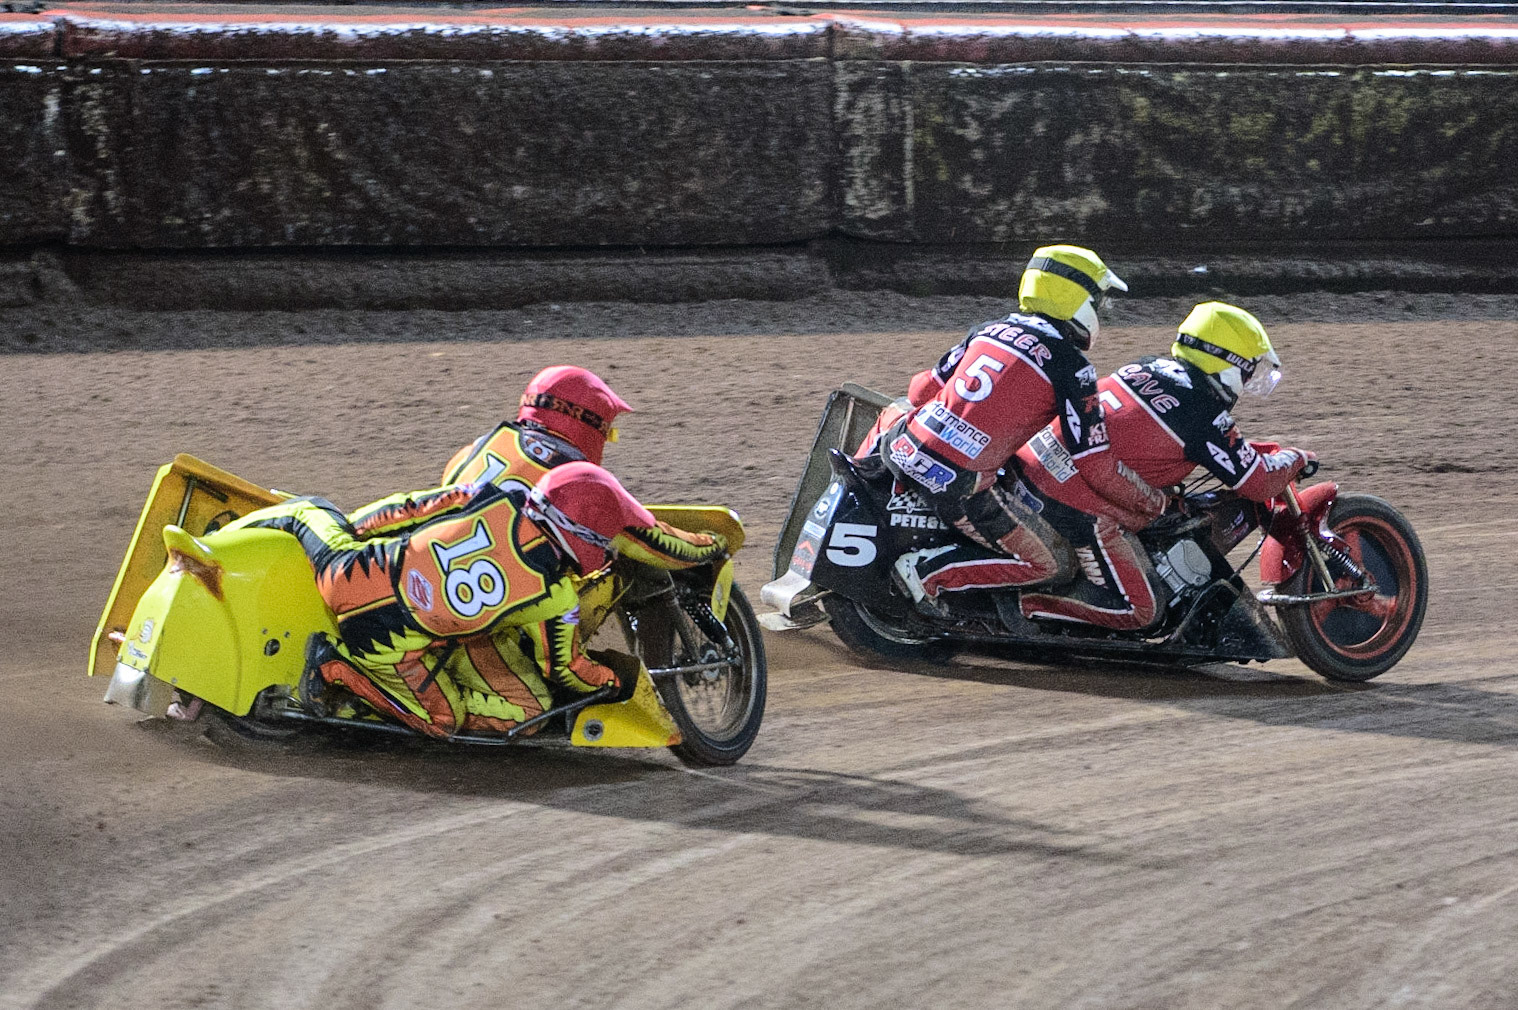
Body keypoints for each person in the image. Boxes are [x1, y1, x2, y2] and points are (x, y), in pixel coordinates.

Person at [225, 462, 727, 738]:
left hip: (350, 567)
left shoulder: (494, 493)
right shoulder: (553, 596)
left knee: (311, 512)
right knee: (448, 722)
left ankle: (241, 529)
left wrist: (356, 532)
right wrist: (614, 679)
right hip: (384, 643)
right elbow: (565, 668)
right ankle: (335, 671)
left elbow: (407, 507)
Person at [879, 245, 1166, 611]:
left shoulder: (990, 328)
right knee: (1051, 563)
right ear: (1074, 297)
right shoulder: (1072, 366)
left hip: (899, 446)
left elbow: (921, 390)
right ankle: (929, 575)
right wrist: (1149, 501)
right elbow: (1092, 462)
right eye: (1098, 302)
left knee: (894, 409)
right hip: (958, 486)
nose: (1101, 312)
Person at [1011, 301, 1315, 629]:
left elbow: (1144, 439)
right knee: (1142, 610)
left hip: (1025, 471)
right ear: (1229, 364)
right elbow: (1258, 482)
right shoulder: (1203, 413)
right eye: (1249, 372)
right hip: (1068, 505)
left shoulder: (1146, 366)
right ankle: (1023, 610)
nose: (1247, 383)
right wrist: (1295, 457)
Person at [431, 365, 636, 729]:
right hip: (480, 613)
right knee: (531, 711)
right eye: (608, 430)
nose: (608, 438)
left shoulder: (474, 450)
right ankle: (440, 705)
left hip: (439, 580)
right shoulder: (569, 473)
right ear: (585, 421)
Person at [442, 365, 633, 487]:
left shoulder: (468, 454)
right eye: (608, 433)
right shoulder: (580, 477)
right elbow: (641, 541)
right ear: (589, 425)